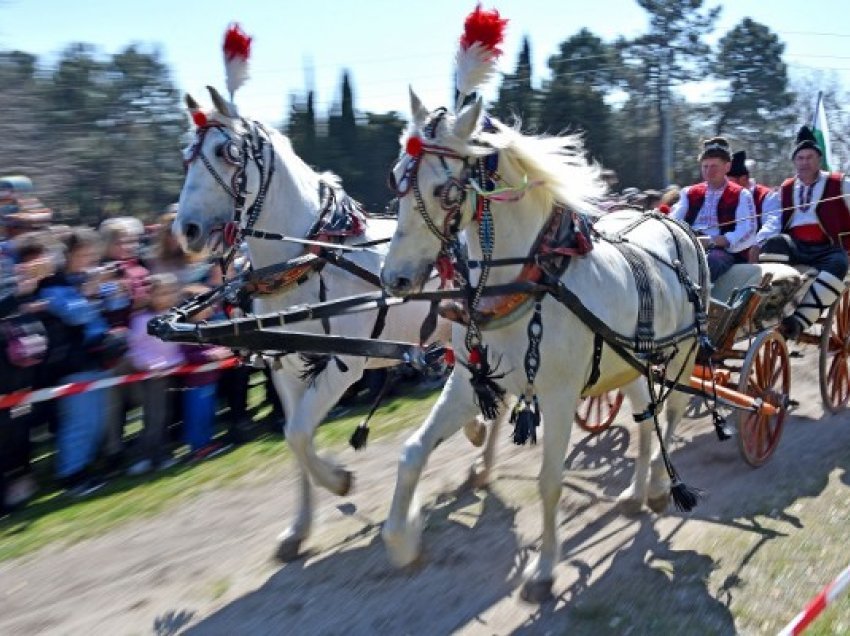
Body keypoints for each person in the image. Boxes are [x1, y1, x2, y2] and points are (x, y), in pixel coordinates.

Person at [756, 125, 850, 340]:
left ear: (819, 159)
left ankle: (799, 321)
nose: (805, 162)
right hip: (796, 245)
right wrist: (760, 241)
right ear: (794, 161)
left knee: (839, 264)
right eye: (800, 158)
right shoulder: (787, 188)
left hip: (828, 247)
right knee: (774, 244)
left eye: (809, 157)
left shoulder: (840, 184)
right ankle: (772, 308)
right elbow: (774, 221)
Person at [670, 137, 757, 282]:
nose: (709, 171)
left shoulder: (741, 194)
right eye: (705, 166)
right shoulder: (689, 192)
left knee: (710, 261)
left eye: (714, 166)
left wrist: (715, 241)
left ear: (727, 167)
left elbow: (748, 230)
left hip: (722, 251)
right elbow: (673, 220)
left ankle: (699, 300)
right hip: (688, 244)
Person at [125, 273, 185, 475]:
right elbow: (135, 349)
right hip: (152, 377)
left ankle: (159, 455)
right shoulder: (142, 320)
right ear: (150, 295)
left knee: (164, 417)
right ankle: (144, 458)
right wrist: (151, 364)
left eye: (170, 292)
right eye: (162, 293)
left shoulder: (176, 314)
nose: (167, 297)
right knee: (153, 418)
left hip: (171, 373)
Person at [726, 150, 776, 232]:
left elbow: (771, 226)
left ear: (743, 179)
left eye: (730, 182)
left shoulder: (767, 196)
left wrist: (756, 243)